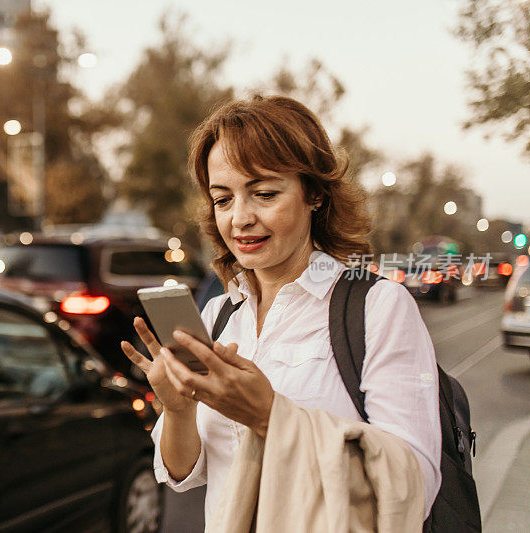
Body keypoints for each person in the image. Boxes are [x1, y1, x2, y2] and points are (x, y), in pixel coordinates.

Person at [119, 95, 441, 526]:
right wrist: (179, 410)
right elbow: (183, 477)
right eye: (223, 199)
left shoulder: (377, 308)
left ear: (315, 195)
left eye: (264, 193)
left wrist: (270, 416)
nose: (240, 219)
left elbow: (413, 487)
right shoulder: (217, 315)